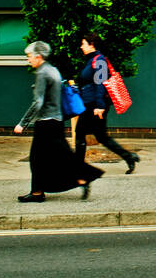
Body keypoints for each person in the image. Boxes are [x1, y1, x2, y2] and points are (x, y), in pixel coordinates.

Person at [13, 41, 103, 202]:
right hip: (56, 120)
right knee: (61, 156)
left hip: (45, 122)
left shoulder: (42, 73)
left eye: (29, 56)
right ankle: (79, 179)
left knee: (37, 158)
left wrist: (22, 123)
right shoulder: (53, 70)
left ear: (38, 56)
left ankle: (39, 192)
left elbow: (38, 102)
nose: (28, 60)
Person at [73, 33, 140, 176]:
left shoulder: (100, 61)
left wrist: (100, 106)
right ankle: (129, 157)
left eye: (83, 44)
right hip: (90, 104)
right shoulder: (91, 60)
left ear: (92, 45)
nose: (81, 47)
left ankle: (78, 168)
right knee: (101, 136)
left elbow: (100, 83)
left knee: (82, 133)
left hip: (95, 105)